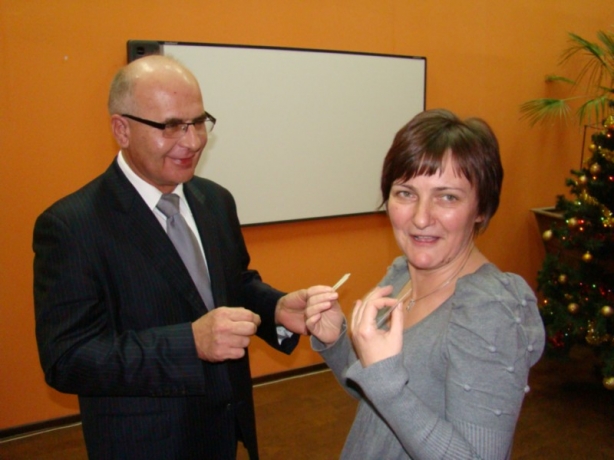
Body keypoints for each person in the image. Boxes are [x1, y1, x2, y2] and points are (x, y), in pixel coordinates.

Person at [33, 55, 310, 460]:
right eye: (171, 126)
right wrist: (190, 344)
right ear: (121, 129)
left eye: (198, 122)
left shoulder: (215, 200)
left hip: (224, 430)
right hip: (145, 444)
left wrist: (277, 309)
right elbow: (68, 359)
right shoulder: (72, 225)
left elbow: (232, 285)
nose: (193, 141)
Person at [305, 109, 545, 459]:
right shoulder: (402, 276)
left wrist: (387, 384)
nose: (420, 218)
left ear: (481, 209)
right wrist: (337, 341)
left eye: (447, 197)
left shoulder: (488, 313)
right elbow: (373, 394)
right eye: (405, 193)